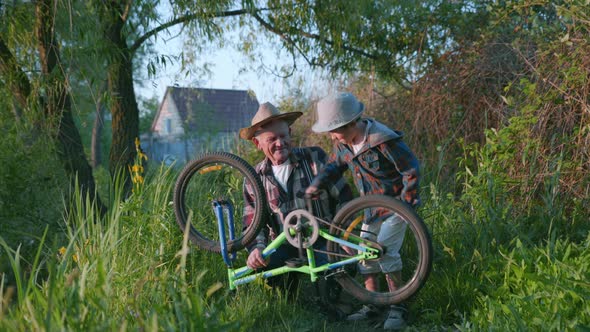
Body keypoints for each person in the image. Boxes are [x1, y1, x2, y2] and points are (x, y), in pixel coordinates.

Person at [305, 92, 420, 330]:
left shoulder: (381, 139)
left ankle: (397, 305)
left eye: (333, 129)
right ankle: (373, 303)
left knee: (385, 250)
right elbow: (334, 167)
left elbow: (411, 169)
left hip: (396, 206)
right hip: (370, 209)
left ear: (349, 124)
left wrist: (406, 205)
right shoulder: (343, 144)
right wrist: (318, 184)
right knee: (363, 253)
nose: (331, 135)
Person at [239, 102, 352, 292]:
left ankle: (333, 294)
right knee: (259, 275)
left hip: (324, 242)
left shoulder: (314, 158)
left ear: (290, 132)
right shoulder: (254, 178)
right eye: (272, 139)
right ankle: (288, 293)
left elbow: (345, 199)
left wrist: (343, 238)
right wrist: (256, 250)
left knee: (336, 278)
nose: (280, 143)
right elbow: (253, 224)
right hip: (284, 246)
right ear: (258, 144)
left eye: (283, 136)